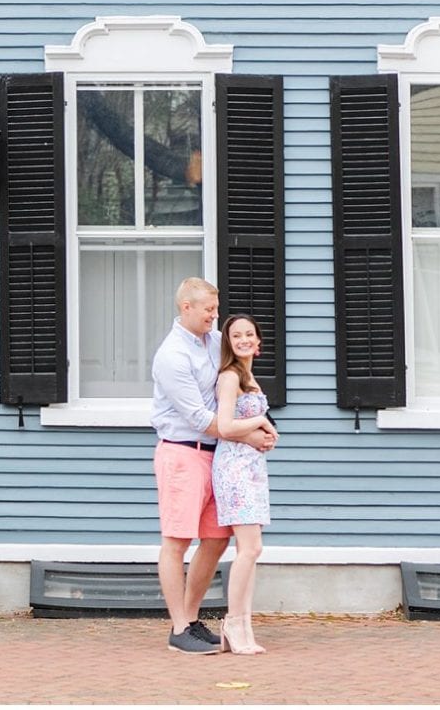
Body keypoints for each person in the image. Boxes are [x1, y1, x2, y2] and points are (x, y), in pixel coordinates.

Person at [150, 278, 277, 654]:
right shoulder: (172, 355)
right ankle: (178, 627)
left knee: (217, 538)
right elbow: (198, 416)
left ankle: (191, 619)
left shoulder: (209, 344)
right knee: (176, 541)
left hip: (215, 455)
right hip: (182, 452)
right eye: (208, 309)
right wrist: (249, 435)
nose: (214, 316)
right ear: (186, 307)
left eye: (216, 309)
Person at [213, 313, 274, 655]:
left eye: (249, 334)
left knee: (250, 550)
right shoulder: (229, 377)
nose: (244, 340)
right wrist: (261, 421)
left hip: (252, 468)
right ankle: (233, 622)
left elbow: (246, 429)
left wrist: (264, 437)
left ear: (258, 341)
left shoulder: (250, 378)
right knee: (250, 549)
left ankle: (244, 624)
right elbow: (224, 426)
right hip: (233, 469)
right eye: (237, 336)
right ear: (229, 343)